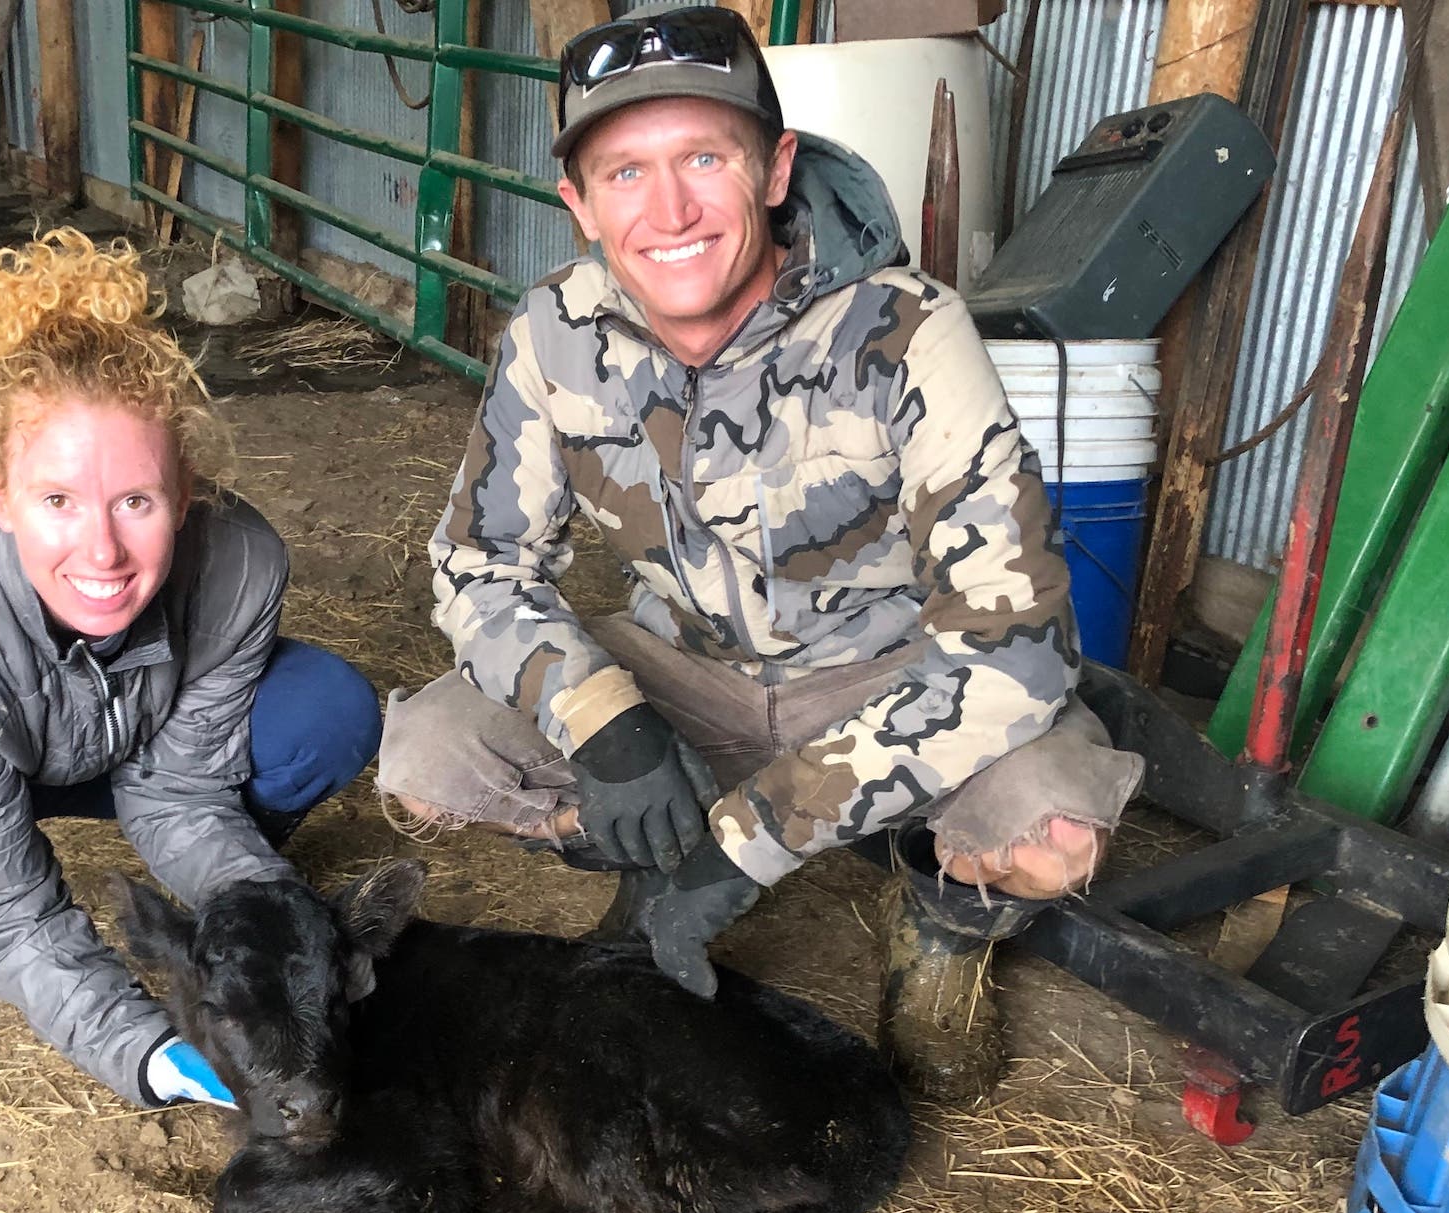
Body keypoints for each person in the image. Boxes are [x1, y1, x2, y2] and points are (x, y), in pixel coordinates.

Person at [377, 5, 1143, 1104]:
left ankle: (945, 928)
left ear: (776, 169)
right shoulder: (554, 332)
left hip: (883, 674)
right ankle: (648, 854)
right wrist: (609, 726)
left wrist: (752, 839)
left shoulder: (905, 329)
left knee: (1053, 828)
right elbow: (478, 567)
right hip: (680, 671)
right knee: (430, 758)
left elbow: (1014, 645)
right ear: (578, 203)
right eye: (625, 172)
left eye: (704, 158)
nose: (670, 211)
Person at [0, 228, 383, 1108]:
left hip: (128, 736)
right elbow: (5, 901)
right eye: (57, 500)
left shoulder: (242, 563)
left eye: (136, 501)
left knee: (325, 709)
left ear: (185, 490)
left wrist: (267, 924)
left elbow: (182, 789)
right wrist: (150, 1055)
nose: (102, 551)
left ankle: (234, 915)